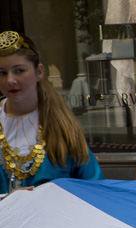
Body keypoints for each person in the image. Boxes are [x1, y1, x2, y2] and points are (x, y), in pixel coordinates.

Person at [0, 31, 102, 197]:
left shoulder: (63, 127)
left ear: (39, 72)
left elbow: (95, 189)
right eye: (2, 73)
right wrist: (6, 200)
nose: (10, 80)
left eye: (19, 71)